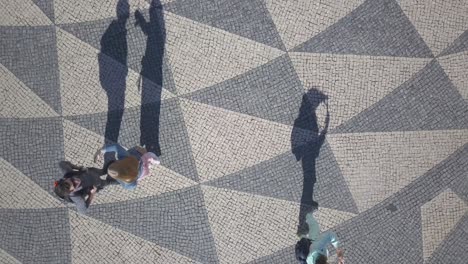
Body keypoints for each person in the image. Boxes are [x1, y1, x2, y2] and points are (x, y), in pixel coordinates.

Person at [94, 144, 160, 190]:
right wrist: (100, 151)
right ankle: (107, 181)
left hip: (141, 171)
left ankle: (107, 181)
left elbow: (134, 184)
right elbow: (115, 146)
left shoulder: (129, 185)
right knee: (140, 149)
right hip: (138, 158)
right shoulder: (126, 157)